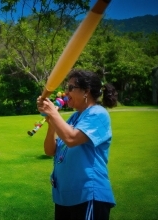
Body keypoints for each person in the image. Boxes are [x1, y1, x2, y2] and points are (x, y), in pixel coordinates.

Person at [37, 70, 118, 220]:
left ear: (86, 91)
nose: (66, 92)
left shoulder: (98, 113)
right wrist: (52, 124)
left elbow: (71, 139)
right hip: (65, 198)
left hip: (88, 195)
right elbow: (50, 150)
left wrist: (54, 113)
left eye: (70, 88)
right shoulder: (75, 117)